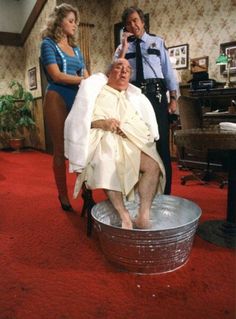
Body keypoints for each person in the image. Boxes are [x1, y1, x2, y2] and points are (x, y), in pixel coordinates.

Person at [64, 58, 165, 229]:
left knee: (153, 165)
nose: (124, 71)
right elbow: (78, 123)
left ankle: (143, 214)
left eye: (128, 69)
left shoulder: (133, 98)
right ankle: (123, 214)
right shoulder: (95, 92)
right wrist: (101, 123)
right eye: (119, 67)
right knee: (107, 161)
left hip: (129, 141)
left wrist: (129, 130)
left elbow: (141, 123)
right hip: (102, 138)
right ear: (109, 73)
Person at [114, 6, 178, 195]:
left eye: (136, 20)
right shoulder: (122, 48)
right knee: (137, 145)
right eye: (129, 23)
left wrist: (173, 99)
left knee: (162, 146)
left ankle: (166, 194)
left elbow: (168, 73)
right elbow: (115, 72)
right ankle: (139, 194)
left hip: (157, 97)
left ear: (142, 21)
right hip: (134, 99)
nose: (133, 25)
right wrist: (124, 48)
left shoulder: (157, 43)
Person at [40, 3, 89, 211]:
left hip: (77, 100)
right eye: (71, 21)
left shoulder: (77, 49)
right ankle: (63, 195)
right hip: (56, 98)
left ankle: (87, 193)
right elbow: (56, 75)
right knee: (60, 150)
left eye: (75, 22)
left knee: (81, 148)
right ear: (59, 22)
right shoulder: (48, 44)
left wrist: (91, 82)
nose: (74, 25)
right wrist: (83, 81)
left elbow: (86, 75)